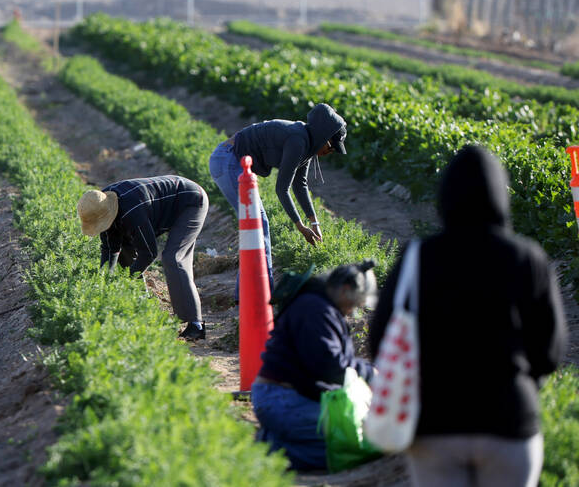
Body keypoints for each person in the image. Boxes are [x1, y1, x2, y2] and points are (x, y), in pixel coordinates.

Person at [369, 145, 567, 487]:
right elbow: (550, 351)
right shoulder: (526, 258)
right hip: (509, 420)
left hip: (435, 425)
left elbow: (380, 340)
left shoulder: (418, 257)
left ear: (445, 195)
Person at [252, 259, 378, 471]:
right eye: (355, 305)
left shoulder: (321, 306)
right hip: (281, 398)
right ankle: (269, 452)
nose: (352, 312)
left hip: (284, 397)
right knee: (349, 444)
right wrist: (368, 373)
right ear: (345, 289)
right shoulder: (315, 310)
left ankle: (273, 440)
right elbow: (328, 365)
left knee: (352, 436)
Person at [208, 103, 347, 285]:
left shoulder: (307, 145)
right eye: (331, 146)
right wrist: (300, 226)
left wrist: (314, 223)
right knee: (256, 223)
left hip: (234, 163)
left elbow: (300, 185)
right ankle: (260, 287)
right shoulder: (298, 140)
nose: (330, 152)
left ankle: (257, 288)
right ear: (323, 136)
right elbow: (282, 188)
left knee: (258, 224)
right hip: (228, 160)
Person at [77, 175, 209, 340]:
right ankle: (142, 304)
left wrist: (127, 279)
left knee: (173, 258)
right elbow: (110, 250)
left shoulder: (132, 211)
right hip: (165, 204)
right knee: (125, 250)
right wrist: (104, 284)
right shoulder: (100, 205)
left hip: (189, 201)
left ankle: (195, 324)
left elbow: (149, 252)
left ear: (107, 215)